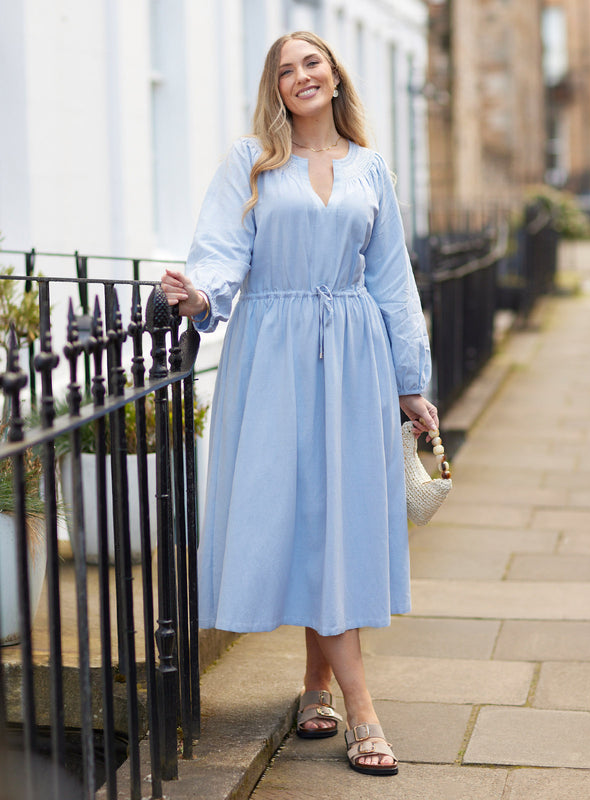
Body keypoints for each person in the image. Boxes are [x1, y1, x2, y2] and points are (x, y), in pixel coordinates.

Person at [161, 30, 439, 777]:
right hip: (273, 353)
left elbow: (392, 280)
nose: (301, 76)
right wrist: (198, 293)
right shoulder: (248, 163)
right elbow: (220, 255)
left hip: (354, 355)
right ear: (275, 88)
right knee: (302, 512)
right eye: (286, 70)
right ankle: (356, 705)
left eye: (312, 62)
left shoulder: (370, 170)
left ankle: (326, 689)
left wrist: (412, 383)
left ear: (335, 75)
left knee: (337, 516)